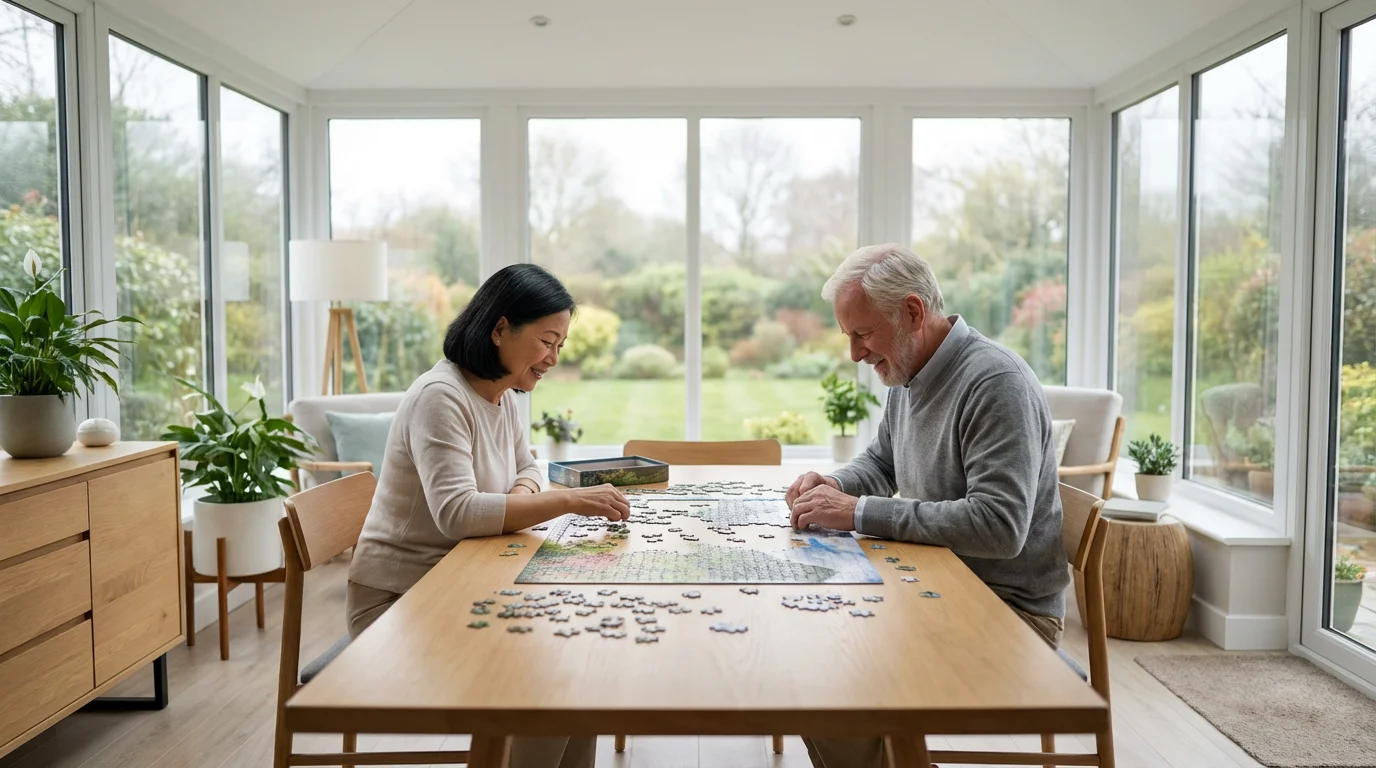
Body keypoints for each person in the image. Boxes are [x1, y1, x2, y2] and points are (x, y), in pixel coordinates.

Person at [786, 244, 1070, 768]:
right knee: (807, 652)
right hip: (933, 584)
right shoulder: (908, 373)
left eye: (862, 333)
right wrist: (831, 484)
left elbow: (999, 527)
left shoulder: (995, 383)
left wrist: (855, 510)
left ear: (912, 313)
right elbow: (881, 463)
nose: (854, 354)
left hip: (1007, 613)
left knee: (822, 679)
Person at [346, 263, 626, 768]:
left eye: (560, 345)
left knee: (577, 671)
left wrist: (522, 493)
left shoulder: (507, 393)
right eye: (546, 340)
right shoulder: (441, 397)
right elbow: (458, 514)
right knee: (552, 677)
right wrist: (568, 499)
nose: (553, 358)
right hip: (401, 604)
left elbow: (527, 466)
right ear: (500, 329)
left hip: (469, 583)